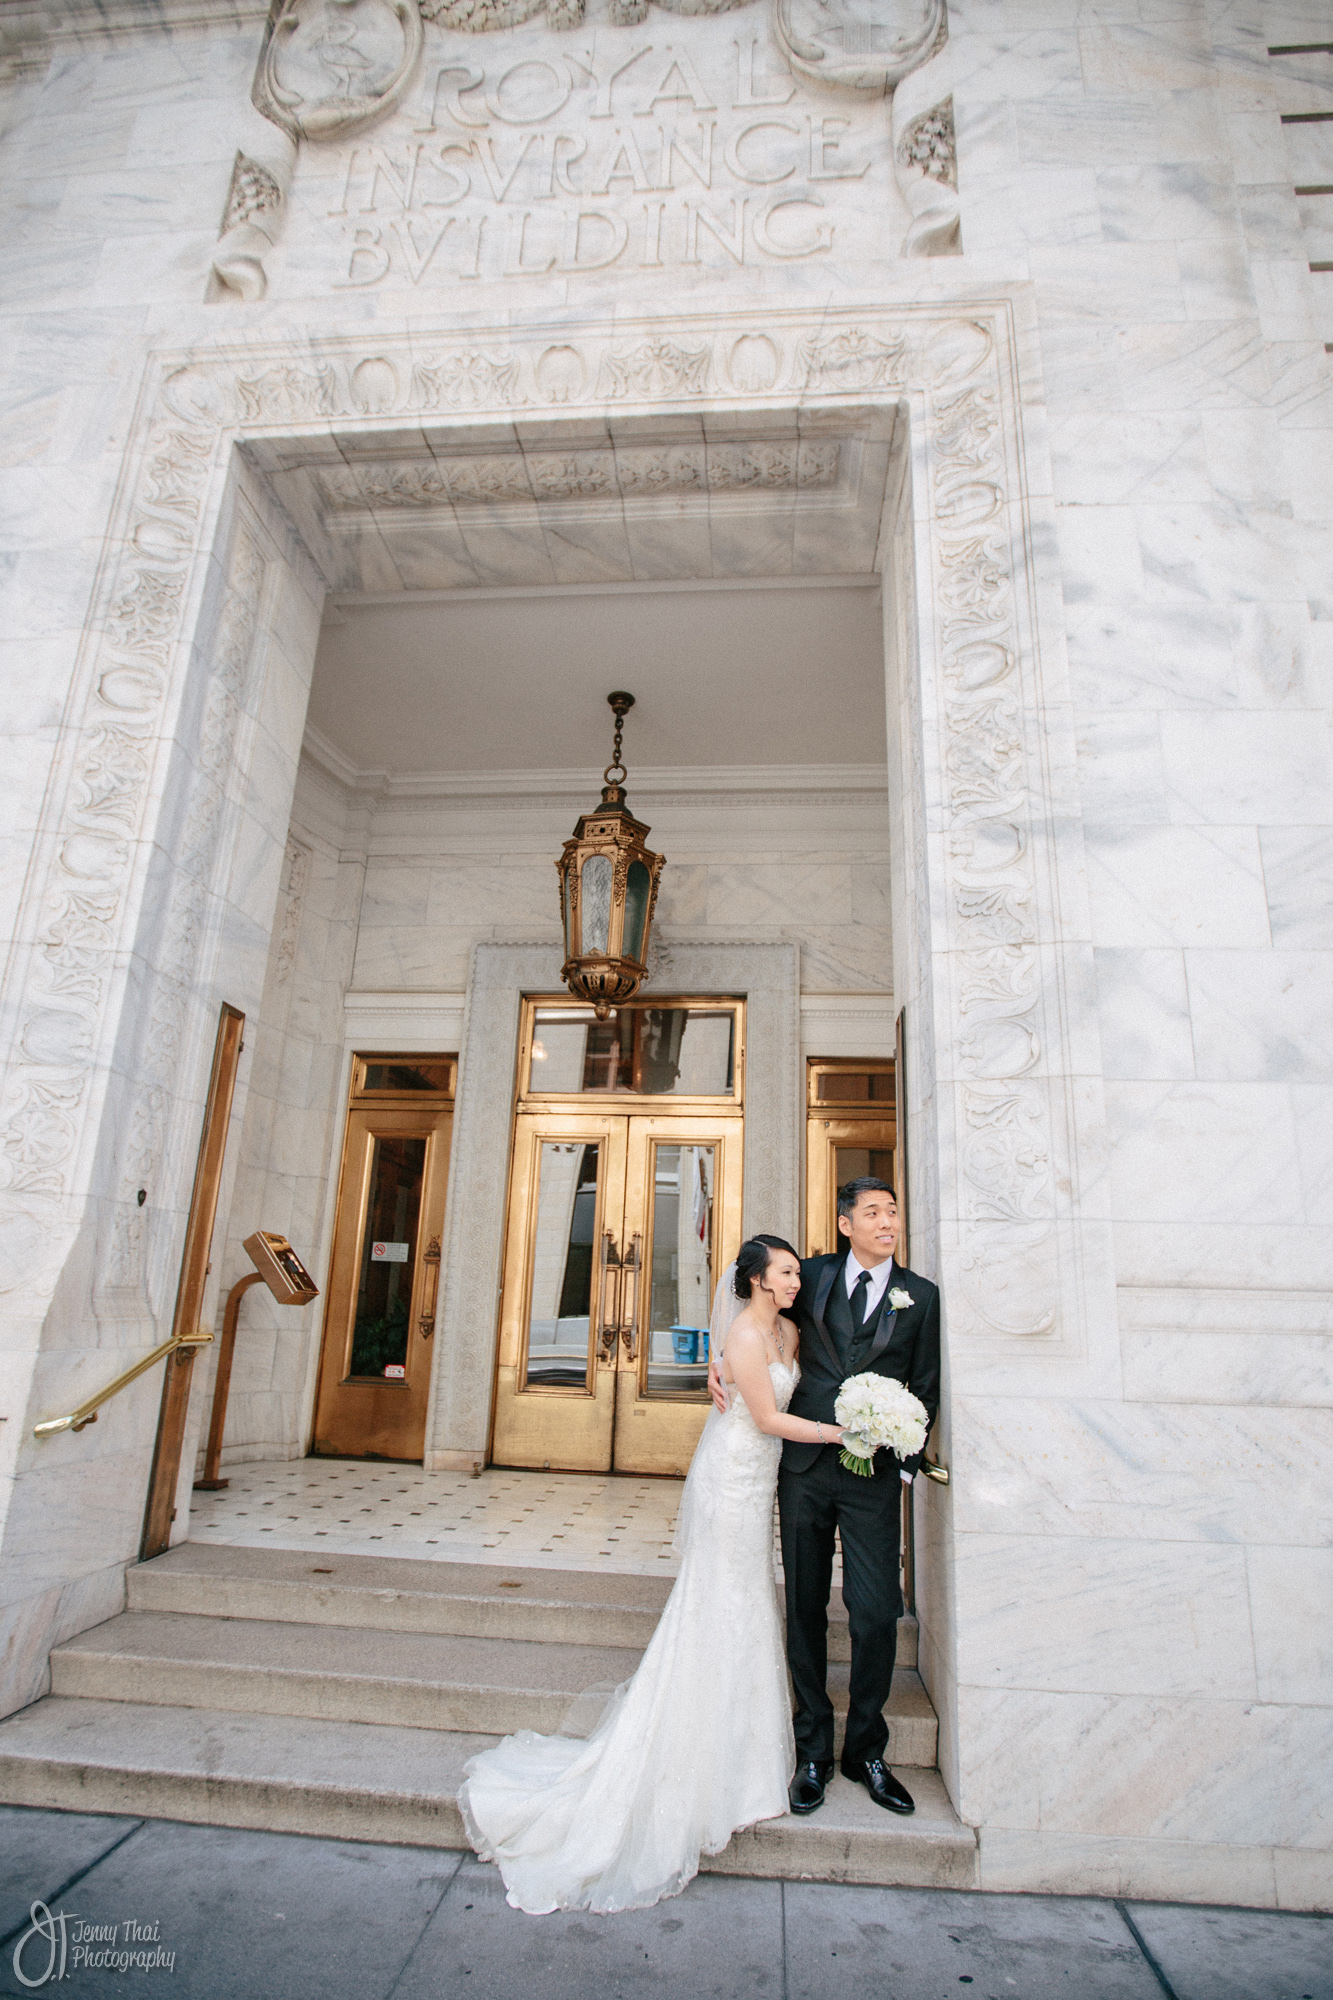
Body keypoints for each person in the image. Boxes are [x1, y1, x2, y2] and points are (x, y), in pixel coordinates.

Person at [457, 1236, 844, 1915]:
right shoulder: (746, 1335)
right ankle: (702, 1762)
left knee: (751, 1605)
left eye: (795, 1273)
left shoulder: (787, 1327)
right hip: (732, 1480)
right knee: (721, 1605)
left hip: (760, 1486)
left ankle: (744, 1760)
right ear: (756, 1280)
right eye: (785, 1273)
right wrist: (848, 1432)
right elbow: (766, 1417)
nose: (796, 1282)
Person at [710, 1177, 940, 1820]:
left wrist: (905, 1465)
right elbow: (751, 1310)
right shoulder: (806, 1274)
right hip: (805, 1466)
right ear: (846, 1224)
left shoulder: (921, 1296)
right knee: (805, 1607)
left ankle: (866, 1748)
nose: (887, 1220)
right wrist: (719, 1361)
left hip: (872, 1477)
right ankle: (813, 1747)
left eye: (893, 1210)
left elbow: (924, 1385)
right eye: (873, 1212)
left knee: (874, 1612)